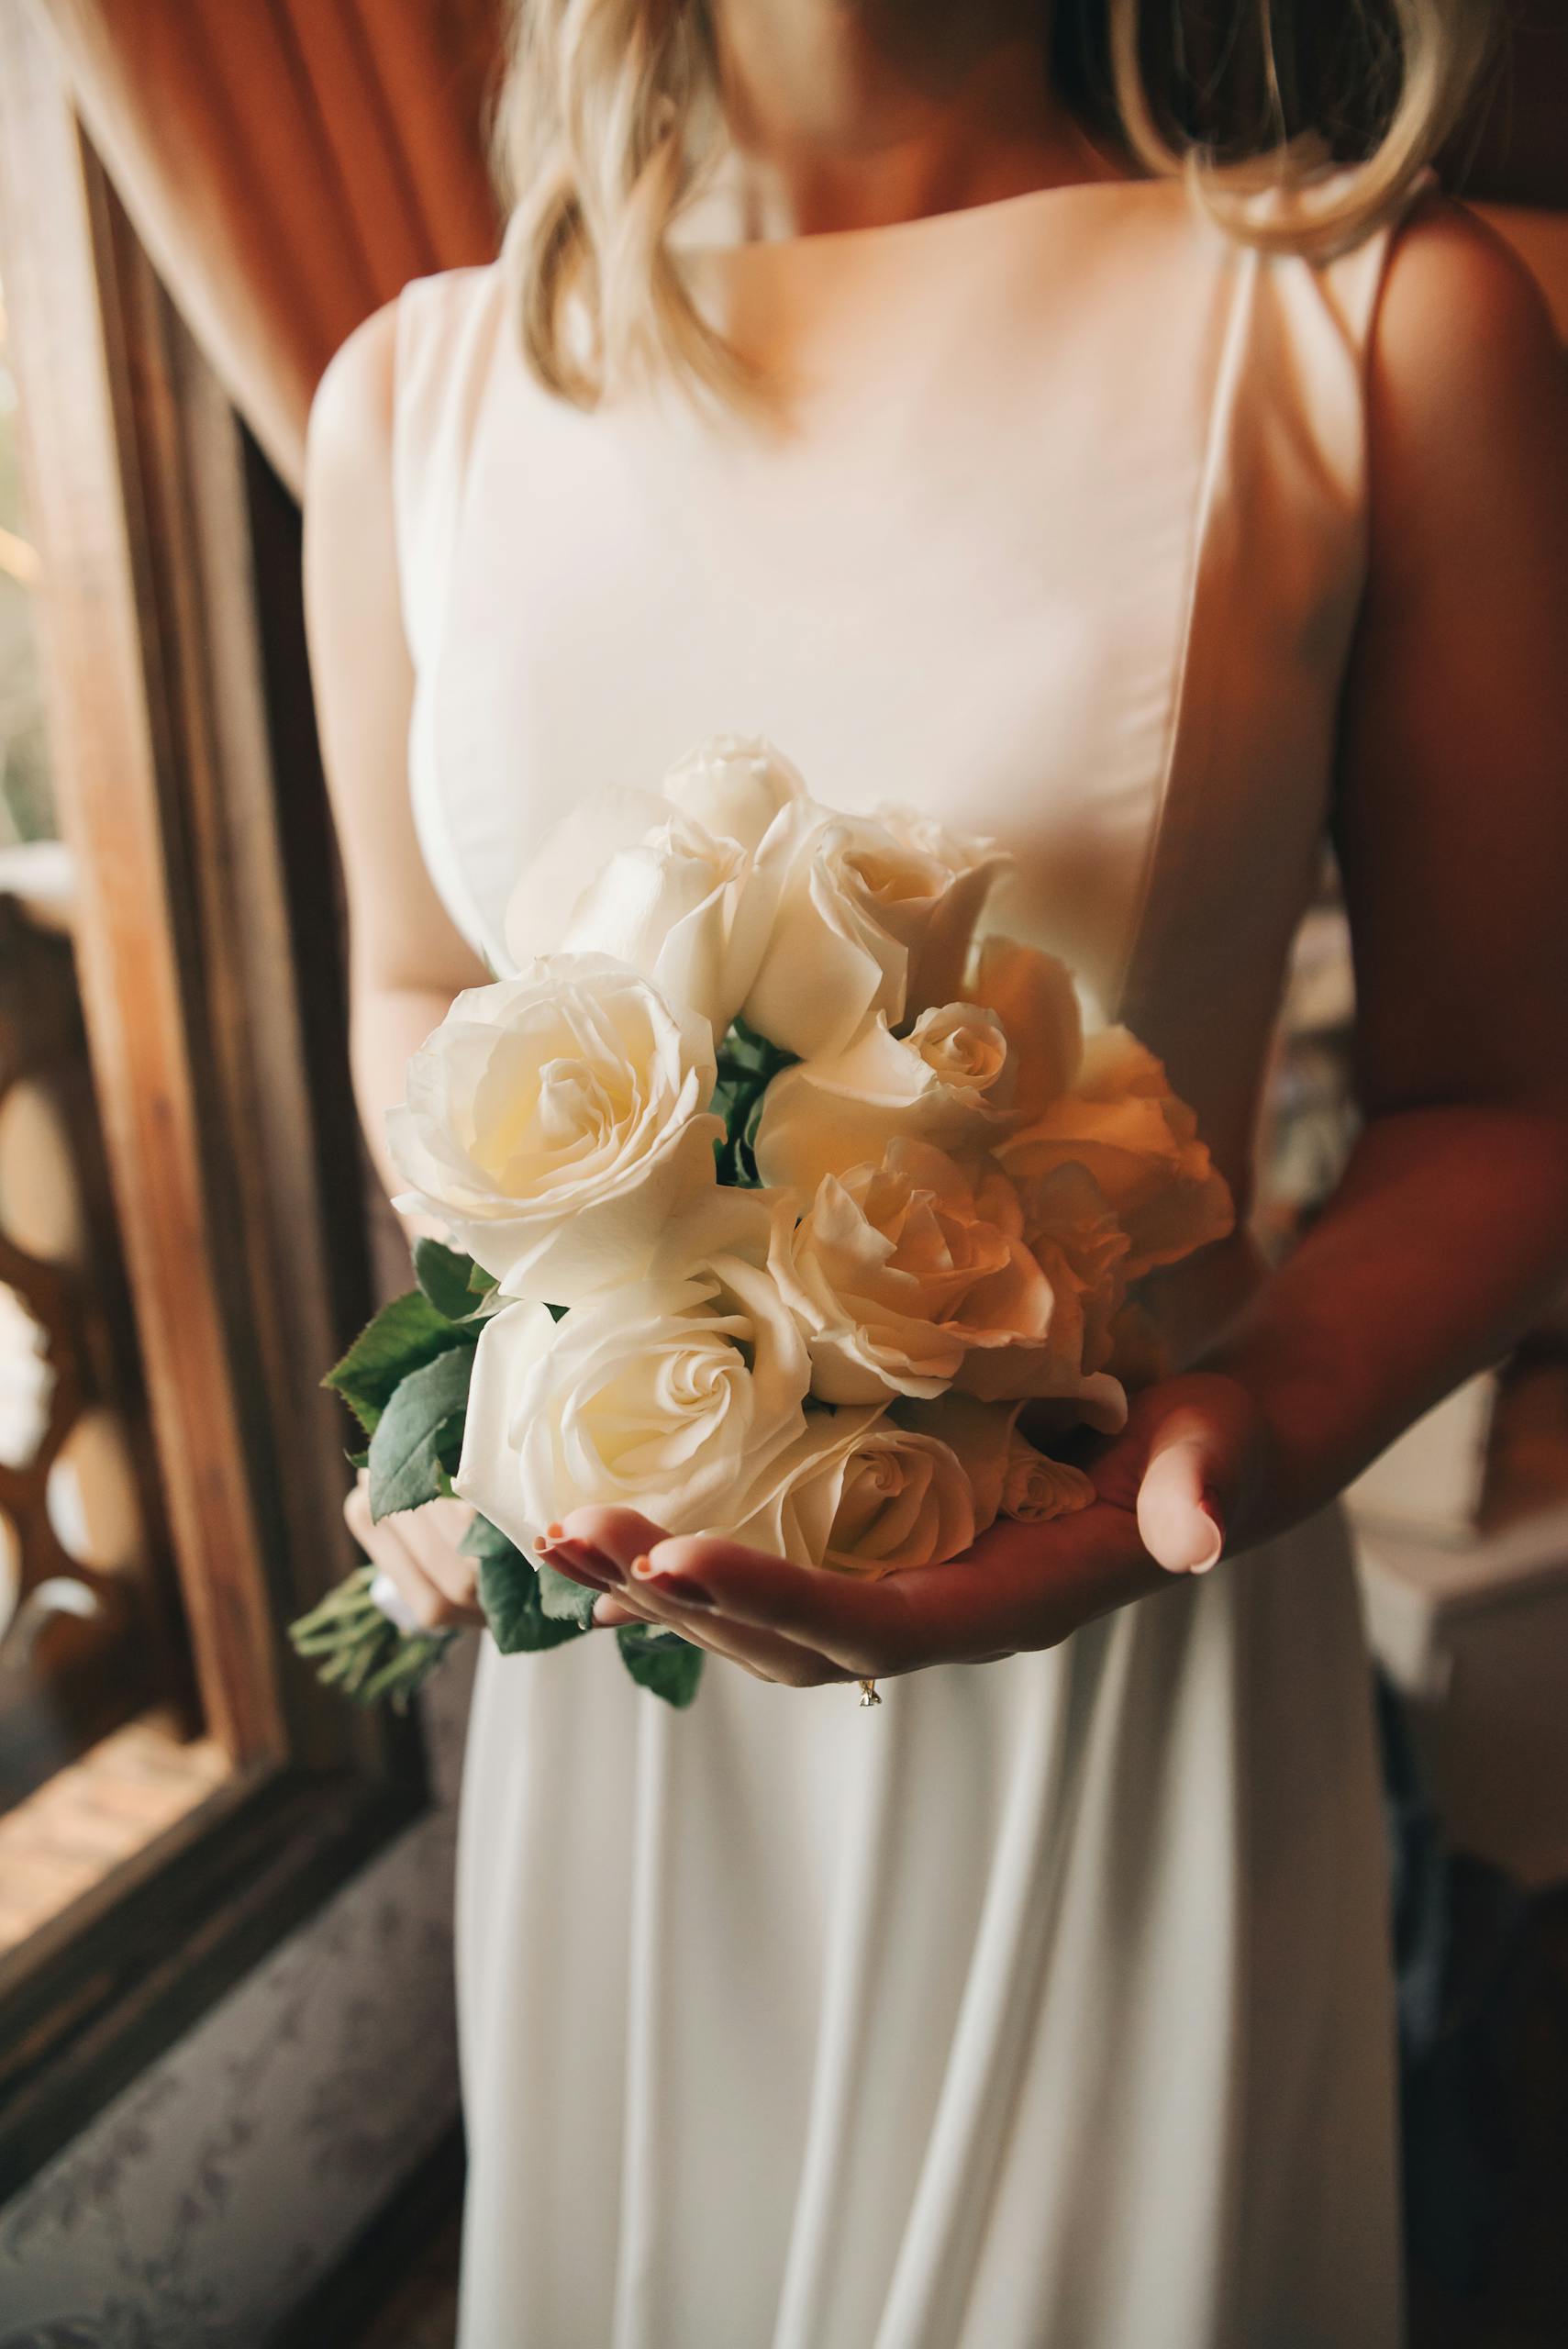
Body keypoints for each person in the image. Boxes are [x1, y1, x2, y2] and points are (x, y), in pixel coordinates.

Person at [303, 4, 1568, 2341]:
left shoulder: (1376, 326)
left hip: (1124, 1646)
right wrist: (465, 1371)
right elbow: (412, 985)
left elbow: (1501, 1100)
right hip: (628, 1704)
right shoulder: (413, 395)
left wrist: (1245, 1430)